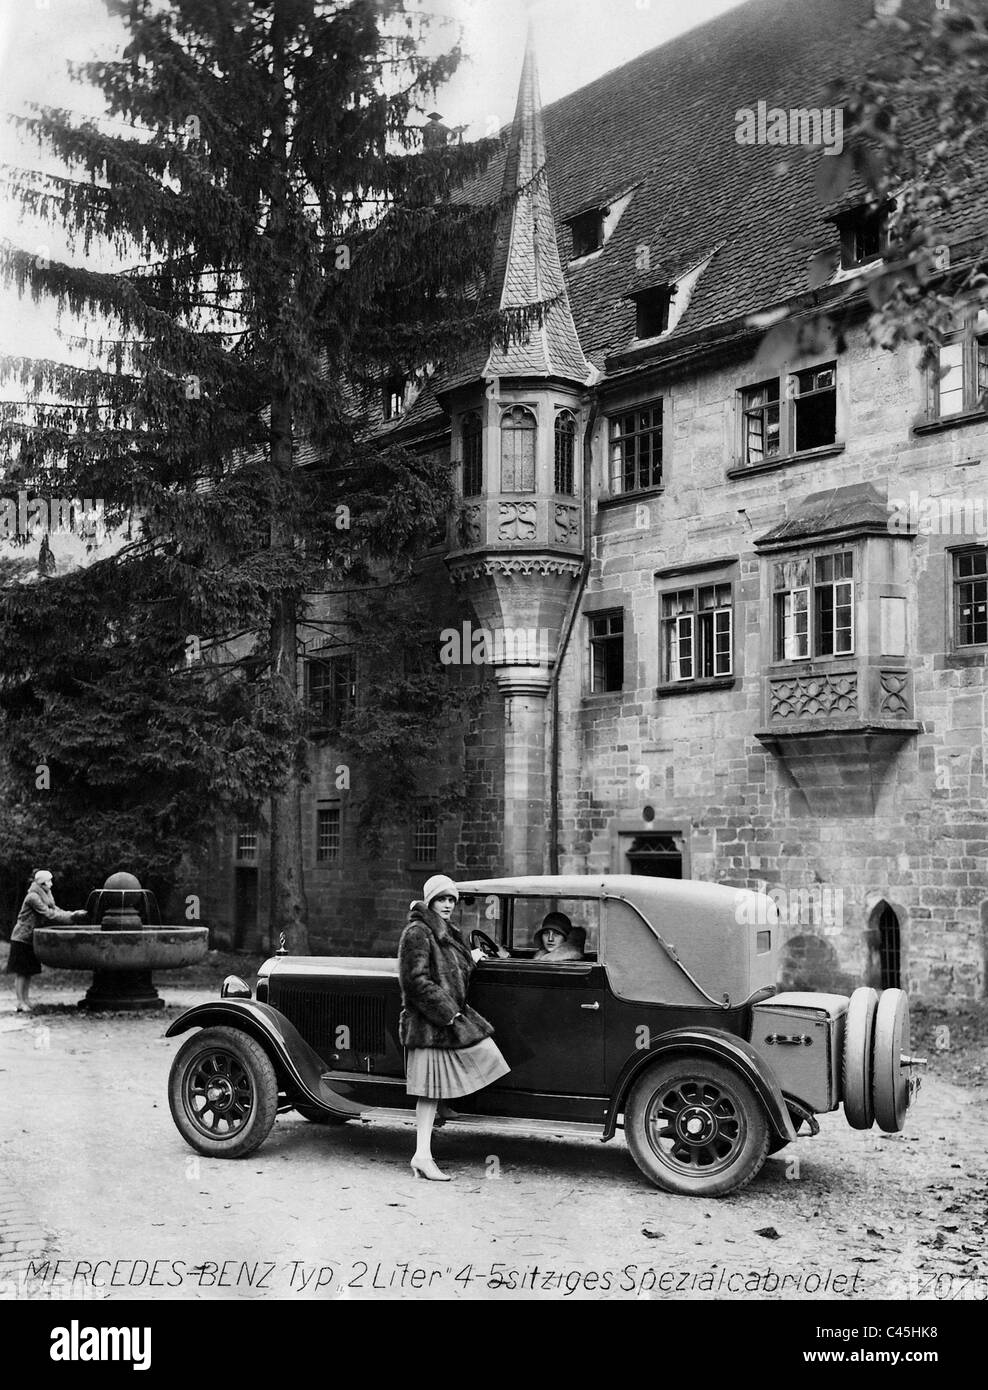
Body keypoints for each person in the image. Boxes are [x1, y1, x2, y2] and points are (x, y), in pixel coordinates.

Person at [397, 874, 510, 1181]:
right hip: (428, 1023)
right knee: (428, 1093)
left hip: (446, 1018)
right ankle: (421, 1156)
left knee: (483, 1056)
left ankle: (429, 1143)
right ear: (430, 901)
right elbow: (415, 981)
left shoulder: (447, 931)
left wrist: (471, 958)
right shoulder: (418, 932)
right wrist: (448, 1014)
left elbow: (452, 969)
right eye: (441, 899)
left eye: (451, 900)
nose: (447, 905)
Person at [6, 870, 86, 1012]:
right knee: (21, 972)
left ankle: (26, 1000)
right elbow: (49, 914)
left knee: (28, 972)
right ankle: (20, 1002)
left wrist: (72, 914)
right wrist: (71, 918)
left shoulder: (46, 895)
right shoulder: (33, 897)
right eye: (49, 881)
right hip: (21, 938)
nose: (51, 883)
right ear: (42, 883)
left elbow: (56, 909)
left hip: (31, 938)